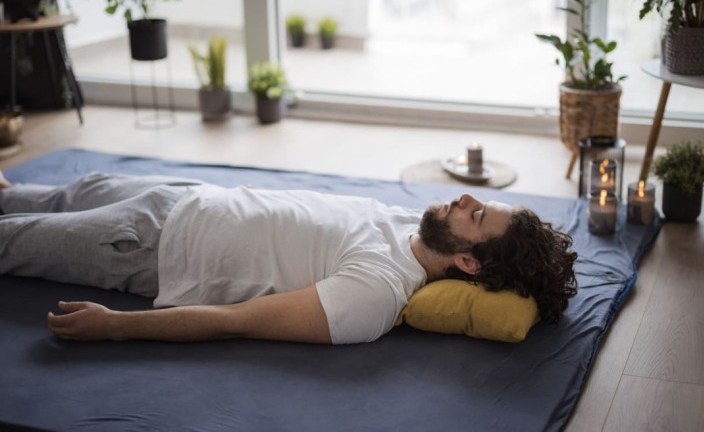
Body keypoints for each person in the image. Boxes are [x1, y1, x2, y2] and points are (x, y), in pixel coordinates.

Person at [0, 170, 577, 345]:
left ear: (470, 265)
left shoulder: (375, 293)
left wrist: (115, 327)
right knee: (33, 196)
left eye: (475, 216)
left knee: (13, 237)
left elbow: (234, 321)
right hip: (182, 192)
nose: (466, 198)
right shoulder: (416, 223)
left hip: (146, 245)